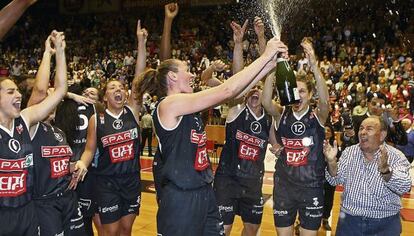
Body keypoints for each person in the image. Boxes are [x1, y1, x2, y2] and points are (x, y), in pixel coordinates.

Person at [136, 35, 287, 235]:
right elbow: (227, 90)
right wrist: (265, 55)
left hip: (204, 192)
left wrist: (270, 64)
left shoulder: (189, 105)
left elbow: (236, 92)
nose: (192, 75)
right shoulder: (169, 105)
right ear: (172, 77)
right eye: (187, 71)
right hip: (181, 198)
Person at [72, 20, 147, 236]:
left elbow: (139, 81)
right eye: (113, 88)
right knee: (110, 231)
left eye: (121, 88)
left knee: (125, 229)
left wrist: (141, 43)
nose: (119, 90)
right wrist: (82, 165)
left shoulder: (132, 112)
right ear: (105, 97)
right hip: (106, 182)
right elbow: (89, 149)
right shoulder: (98, 118)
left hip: (131, 180)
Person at [0, 30, 67, 236]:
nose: (19, 95)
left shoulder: (25, 119)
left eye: (18, 91)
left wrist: (58, 53)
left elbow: (60, 89)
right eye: (11, 92)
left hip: (28, 211)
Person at [214, 17, 275, 236]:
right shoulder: (236, 110)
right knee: (223, 230)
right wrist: (238, 44)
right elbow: (237, 82)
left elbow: (270, 71)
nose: (255, 90)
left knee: (250, 231)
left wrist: (261, 38)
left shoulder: (269, 117)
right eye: (251, 88)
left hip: (252, 184)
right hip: (227, 181)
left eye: (259, 87)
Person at [262, 38, 329, 236]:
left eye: (302, 91)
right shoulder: (281, 111)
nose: (298, 95)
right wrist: (272, 68)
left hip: (311, 187)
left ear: (310, 94)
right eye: (295, 90)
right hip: (284, 186)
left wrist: (314, 65)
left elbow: (325, 100)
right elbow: (266, 102)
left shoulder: (318, 115)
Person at [27, 32, 86, 236]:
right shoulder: (30, 126)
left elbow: (55, 164)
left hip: (68, 198)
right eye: (46, 99)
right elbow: (41, 91)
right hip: (45, 203)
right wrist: (50, 53)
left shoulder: (58, 131)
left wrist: (75, 166)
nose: (49, 101)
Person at [323, 116, 412, 235]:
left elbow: (404, 187)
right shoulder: (349, 152)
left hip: (385, 224)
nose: (363, 132)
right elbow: (335, 179)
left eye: (369, 129)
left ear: (382, 135)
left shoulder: (396, 156)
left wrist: (386, 171)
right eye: (361, 129)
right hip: (350, 223)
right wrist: (331, 162)